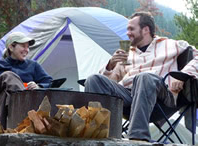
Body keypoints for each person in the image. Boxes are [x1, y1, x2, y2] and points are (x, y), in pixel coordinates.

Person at [84, 11, 198, 142]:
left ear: (145, 30)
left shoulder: (171, 45)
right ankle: (101, 135)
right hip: (129, 98)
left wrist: (183, 75)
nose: (127, 33)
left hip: (160, 98)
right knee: (94, 79)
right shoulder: (127, 54)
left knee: (144, 77)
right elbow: (109, 84)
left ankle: (137, 138)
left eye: (131, 29)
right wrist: (110, 65)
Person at [0, 32, 53, 128]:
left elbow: (49, 81)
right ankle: (25, 109)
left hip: (8, 100)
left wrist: (38, 86)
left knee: (6, 96)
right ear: (11, 47)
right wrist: (7, 84)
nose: (26, 50)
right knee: (8, 76)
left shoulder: (33, 66)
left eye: (28, 47)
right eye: (23, 46)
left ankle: (5, 130)